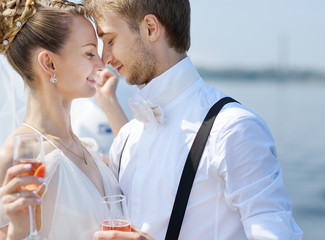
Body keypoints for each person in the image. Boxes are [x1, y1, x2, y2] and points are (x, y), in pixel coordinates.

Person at [83, 0, 304, 239]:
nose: (104, 57)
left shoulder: (232, 128)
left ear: (150, 28)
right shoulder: (127, 136)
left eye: (110, 40)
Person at [0, 0, 127, 239]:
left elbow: (136, 164)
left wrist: (110, 105)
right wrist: (17, 233)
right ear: (49, 63)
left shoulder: (88, 151)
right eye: (90, 53)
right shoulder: (17, 159)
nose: (102, 64)